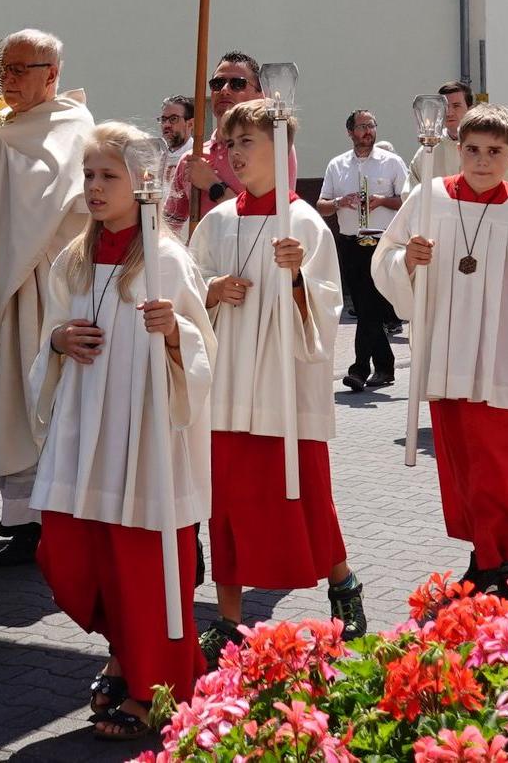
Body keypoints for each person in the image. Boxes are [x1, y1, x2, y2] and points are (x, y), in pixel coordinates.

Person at [30, 122, 214, 744]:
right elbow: (52, 330)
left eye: (107, 175)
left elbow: (201, 350)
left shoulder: (165, 260)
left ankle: (153, 687)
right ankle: (124, 650)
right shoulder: (73, 259)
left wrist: (174, 335)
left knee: (142, 565)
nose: (94, 186)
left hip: (144, 441)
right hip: (85, 434)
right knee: (70, 555)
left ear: (143, 184)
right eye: (88, 175)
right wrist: (57, 341)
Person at [188, 100, 364, 665]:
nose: (237, 154)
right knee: (228, 508)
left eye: (249, 143)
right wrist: (213, 290)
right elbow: (189, 292)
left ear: (281, 149)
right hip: (228, 389)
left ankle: (345, 587)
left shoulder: (305, 221)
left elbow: (327, 310)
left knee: (309, 494)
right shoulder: (216, 221)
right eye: (230, 143)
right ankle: (231, 618)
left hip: (284, 389)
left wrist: (295, 279)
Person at [373, 104, 508, 593]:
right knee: (466, 466)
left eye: (495, 152)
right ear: (459, 150)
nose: (483, 161)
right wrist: (407, 261)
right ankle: (484, 557)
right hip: (450, 355)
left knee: (506, 465)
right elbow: (385, 260)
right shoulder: (428, 199)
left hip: (505, 360)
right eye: (474, 150)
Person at [0, 28, 93, 567]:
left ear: (54, 75)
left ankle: (56, 522)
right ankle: (22, 520)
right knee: (11, 405)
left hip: (51, 290)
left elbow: (45, 202)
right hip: (8, 285)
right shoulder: (7, 129)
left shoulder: (72, 127)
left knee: (47, 405)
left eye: (24, 69)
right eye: (7, 68)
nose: (11, 79)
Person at [317, 110, 408, 392]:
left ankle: (358, 369)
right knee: (364, 307)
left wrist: (381, 201)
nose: (368, 131)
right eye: (361, 126)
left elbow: (406, 201)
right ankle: (384, 365)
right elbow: (321, 205)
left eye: (371, 125)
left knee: (370, 307)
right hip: (350, 243)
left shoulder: (392, 162)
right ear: (350, 132)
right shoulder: (337, 164)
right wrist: (340, 202)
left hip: (382, 242)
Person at [163, 52, 296, 235]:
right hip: (205, 259)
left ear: (260, 94)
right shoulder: (192, 158)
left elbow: (274, 216)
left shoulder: (273, 146)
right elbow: (168, 226)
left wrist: (213, 185)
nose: (224, 90)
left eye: (237, 84)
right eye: (217, 84)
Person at [404, 82, 508, 191]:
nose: (449, 112)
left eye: (456, 106)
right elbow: (410, 194)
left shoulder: (490, 145)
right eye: (445, 107)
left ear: (470, 109)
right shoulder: (428, 150)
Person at [160, 95, 195, 173]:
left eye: (173, 119)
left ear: (190, 124)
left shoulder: (198, 156)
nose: (166, 125)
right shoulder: (156, 157)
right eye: (163, 119)